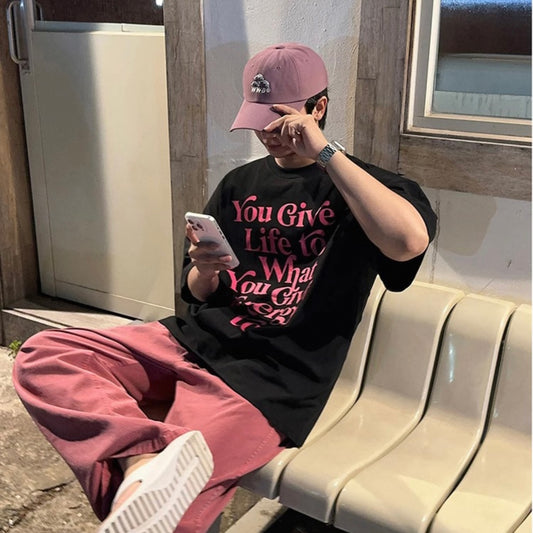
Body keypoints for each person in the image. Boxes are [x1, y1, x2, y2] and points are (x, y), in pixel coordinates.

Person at [12, 42, 437, 533]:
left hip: (271, 377)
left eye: (280, 120)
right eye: (258, 119)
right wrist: (205, 269)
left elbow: (407, 243)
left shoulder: (364, 188)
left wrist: (325, 153)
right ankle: (140, 464)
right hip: (189, 342)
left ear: (319, 108)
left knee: (173, 502)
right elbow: (197, 292)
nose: (267, 134)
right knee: (44, 355)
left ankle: (140, 482)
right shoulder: (239, 183)